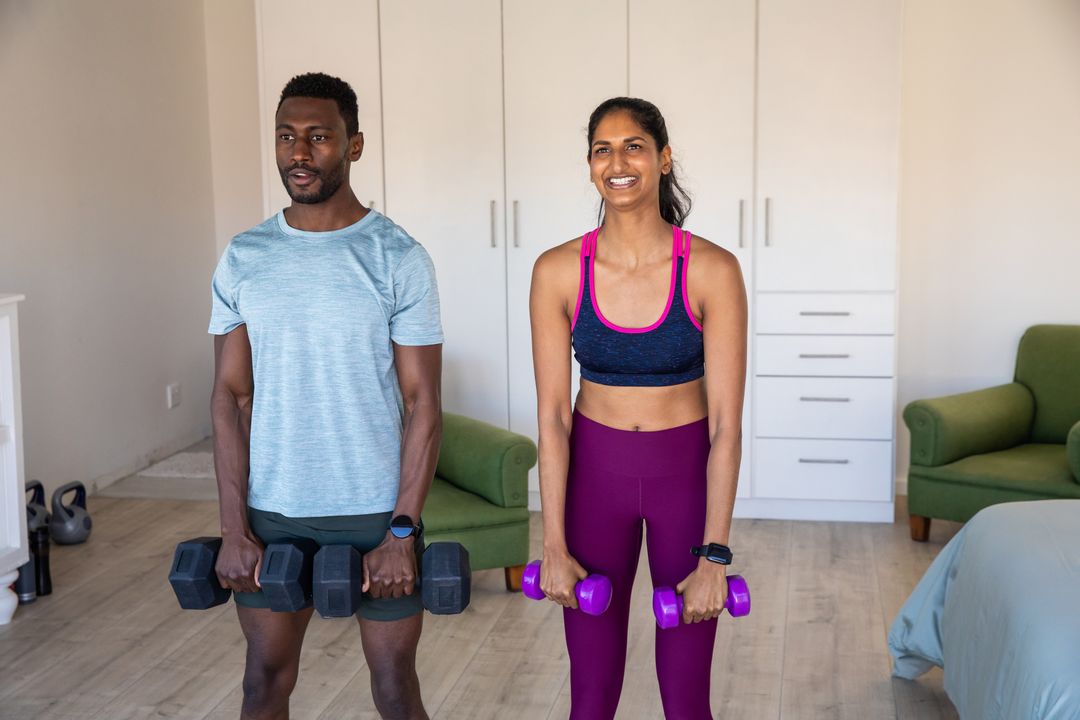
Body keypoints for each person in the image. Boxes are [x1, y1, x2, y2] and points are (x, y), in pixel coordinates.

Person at [208, 72, 443, 720]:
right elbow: (229, 396)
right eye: (286, 137)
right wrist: (234, 527)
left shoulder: (398, 257)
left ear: (354, 145)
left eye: (319, 136)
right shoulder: (244, 257)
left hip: (373, 511)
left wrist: (402, 530)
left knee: (395, 688)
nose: (299, 153)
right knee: (264, 682)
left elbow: (424, 403)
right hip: (273, 509)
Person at [529, 97, 748, 719]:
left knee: (686, 700)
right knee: (590, 698)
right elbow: (552, 417)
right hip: (595, 481)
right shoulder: (556, 271)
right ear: (590, 166)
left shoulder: (711, 270)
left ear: (663, 158)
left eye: (634, 146)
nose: (617, 162)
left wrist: (715, 556)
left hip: (683, 481)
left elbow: (727, 425)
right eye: (603, 149)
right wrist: (551, 543)